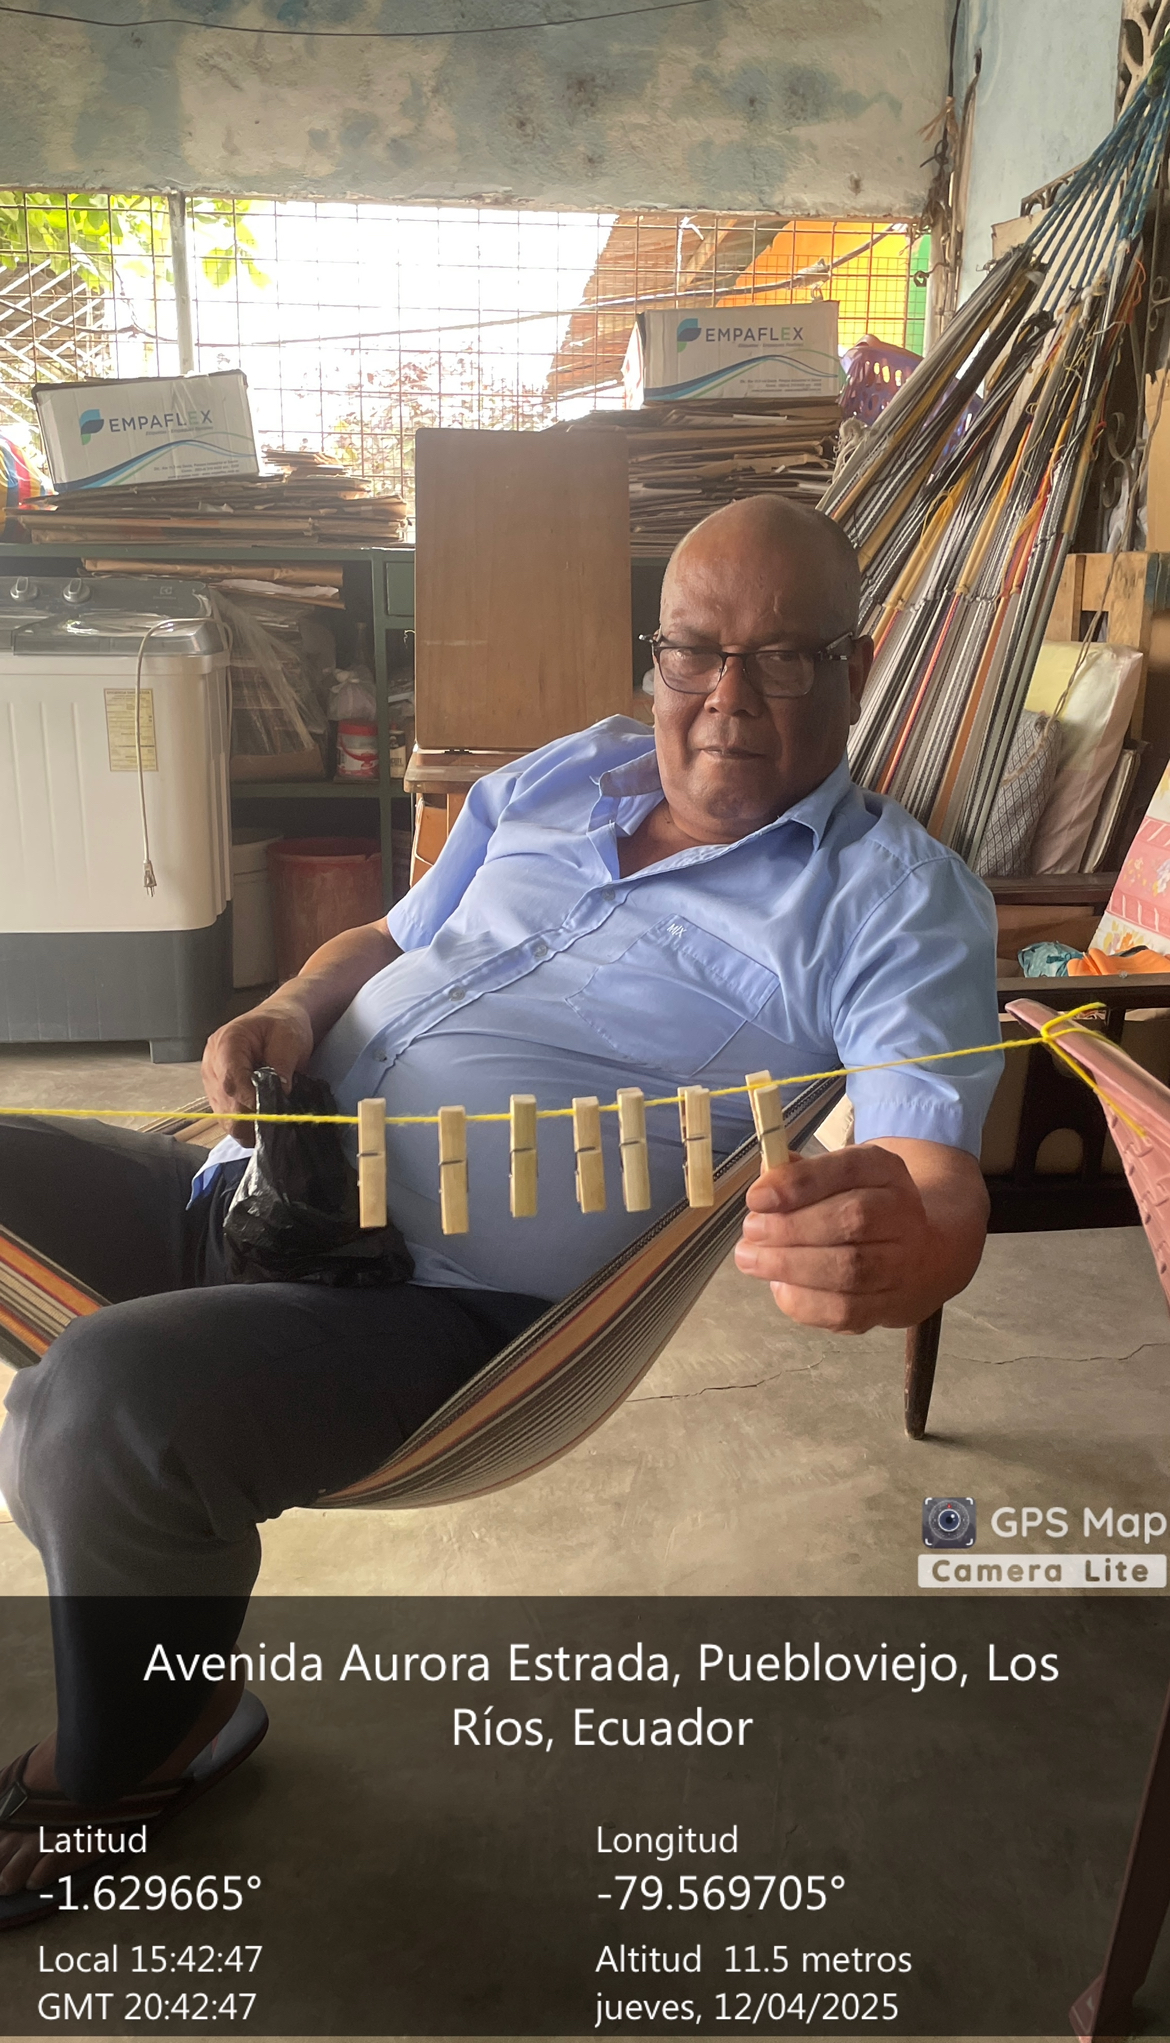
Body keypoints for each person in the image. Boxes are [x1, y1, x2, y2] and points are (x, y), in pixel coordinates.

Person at [0, 496, 1000, 1919]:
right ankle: (143, 1550)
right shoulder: (565, 775)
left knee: (100, 1401)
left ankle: (135, 1755)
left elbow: (929, 1172)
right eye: (693, 651)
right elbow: (387, 937)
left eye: (784, 658)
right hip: (252, 1177)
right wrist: (291, 1007)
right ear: (654, 653)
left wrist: (909, 1242)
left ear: (859, 664)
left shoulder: (893, 903)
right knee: (87, 1397)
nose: (725, 699)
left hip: (436, 1313)